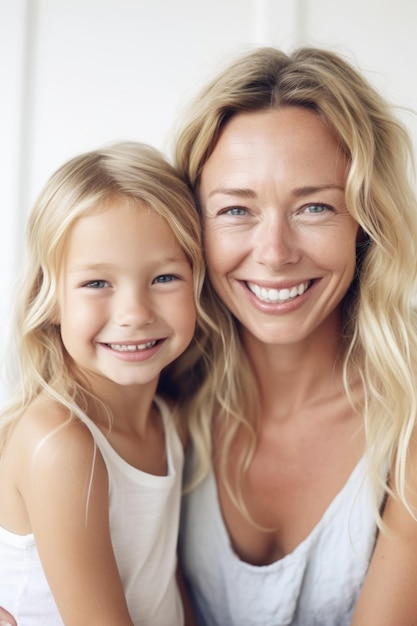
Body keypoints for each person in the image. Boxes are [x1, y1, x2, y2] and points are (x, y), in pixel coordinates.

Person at [173, 46, 417, 625]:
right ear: (192, 223)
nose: (275, 254)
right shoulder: (161, 394)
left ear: (367, 222)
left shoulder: (408, 417)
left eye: (314, 208)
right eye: (236, 211)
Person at [0, 141, 211, 624]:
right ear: (49, 300)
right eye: (97, 283)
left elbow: (164, 583)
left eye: (164, 278)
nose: (135, 314)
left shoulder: (169, 421)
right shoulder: (62, 444)